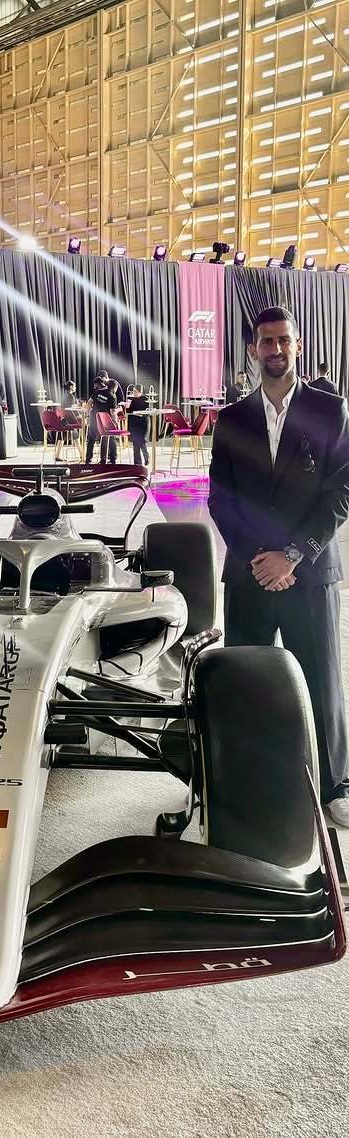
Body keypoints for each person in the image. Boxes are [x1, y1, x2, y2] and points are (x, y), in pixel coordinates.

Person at [208, 305, 349, 827]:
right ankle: (247, 782)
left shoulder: (330, 411)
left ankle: (334, 785)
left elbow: (342, 491)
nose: (276, 349)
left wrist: (291, 555)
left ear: (297, 345)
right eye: (266, 341)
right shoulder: (232, 419)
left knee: (321, 679)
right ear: (253, 349)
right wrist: (258, 558)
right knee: (247, 680)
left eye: (284, 340)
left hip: (308, 570)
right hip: (250, 573)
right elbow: (221, 498)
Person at [85, 375, 117, 463]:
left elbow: (88, 404)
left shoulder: (96, 393)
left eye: (94, 385)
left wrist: (87, 416)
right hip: (105, 422)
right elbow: (112, 412)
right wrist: (114, 421)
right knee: (107, 438)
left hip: (94, 419)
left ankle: (88, 459)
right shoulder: (111, 395)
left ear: (97, 384)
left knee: (91, 439)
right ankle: (107, 459)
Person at [126, 384, 149, 467]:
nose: (134, 393)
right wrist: (127, 407)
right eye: (133, 391)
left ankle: (146, 457)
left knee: (141, 441)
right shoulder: (133, 400)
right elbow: (129, 411)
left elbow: (148, 412)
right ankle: (137, 464)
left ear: (140, 392)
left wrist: (141, 414)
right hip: (134, 423)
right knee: (135, 443)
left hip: (142, 423)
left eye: (135, 392)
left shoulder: (146, 399)